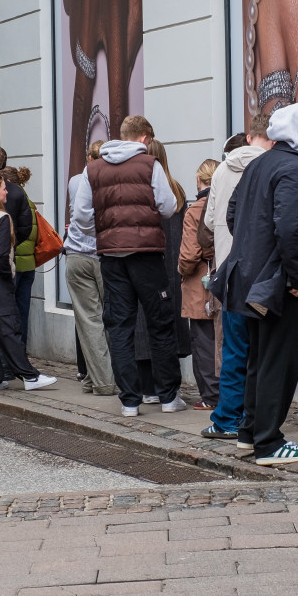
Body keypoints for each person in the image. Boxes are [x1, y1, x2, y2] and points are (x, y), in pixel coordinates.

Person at [222, 101, 298, 466]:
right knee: (278, 362)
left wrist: (253, 249)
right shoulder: (296, 170)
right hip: (278, 281)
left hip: (250, 277)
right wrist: (297, 277)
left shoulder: (260, 163)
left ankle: (250, 431)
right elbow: (289, 228)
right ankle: (268, 441)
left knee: (257, 357)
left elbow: (233, 212)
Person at [71, 115, 183, 416]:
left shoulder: (92, 169)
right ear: (145, 137)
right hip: (147, 254)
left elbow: (80, 216)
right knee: (159, 321)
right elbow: (169, 206)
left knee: (119, 325)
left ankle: (130, 401)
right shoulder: (150, 165)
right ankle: (169, 397)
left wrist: (105, 231)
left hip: (111, 256)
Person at [200, 113, 273, 440]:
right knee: (263, 353)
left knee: (233, 350)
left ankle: (228, 418)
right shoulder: (273, 167)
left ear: (249, 136)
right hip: (261, 274)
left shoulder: (222, 170)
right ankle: (256, 419)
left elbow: (210, 220)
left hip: (229, 272)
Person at [0, 174, 57, 392]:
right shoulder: (1, 218)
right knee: (8, 327)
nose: (7, 192)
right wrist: (8, 278)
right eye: (3, 189)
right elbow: (2, 253)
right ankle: (29, 376)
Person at [131, 140, 191, 403]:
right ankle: (170, 387)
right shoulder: (176, 190)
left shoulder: (140, 190)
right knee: (169, 322)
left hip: (149, 260)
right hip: (172, 266)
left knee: (143, 321)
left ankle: (148, 388)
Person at [63, 141, 117, 396]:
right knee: (113, 317)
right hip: (106, 253)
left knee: (89, 321)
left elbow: (81, 215)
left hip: (77, 251)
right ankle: (104, 380)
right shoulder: (115, 175)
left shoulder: (79, 178)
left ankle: (98, 380)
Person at [179, 159, 221, 409]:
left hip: (200, 284)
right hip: (224, 281)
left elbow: (188, 256)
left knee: (204, 343)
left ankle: (210, 397)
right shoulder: (225, 203)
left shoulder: (195, 210)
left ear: (199, 180)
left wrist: (181, 270)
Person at [3, 165, 39, 343]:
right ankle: (21, 351)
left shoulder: (10, 203)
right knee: (22, 310)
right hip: (29, 265)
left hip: (14, 263)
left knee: (8, 311)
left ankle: (11, 354)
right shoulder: (30, 202)